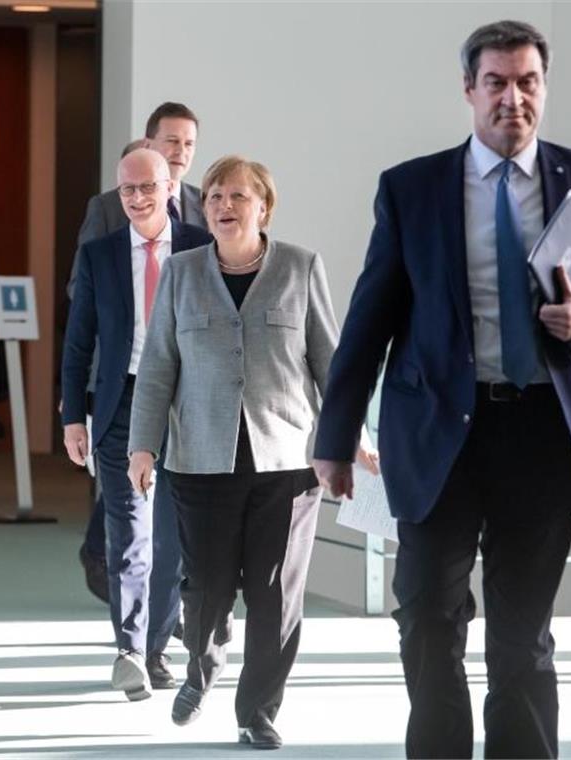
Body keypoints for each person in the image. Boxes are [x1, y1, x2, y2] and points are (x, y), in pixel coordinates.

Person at [312, 20, 571, 759]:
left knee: (521, 633)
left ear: (544, 88)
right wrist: (335, 438)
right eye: (496, 82)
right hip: (439, 434)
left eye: (527, 81)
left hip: (543, 434)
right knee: (430, 618)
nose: (513, 98)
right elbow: (369, 318)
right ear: (469, 90)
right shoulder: (412, 188)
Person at [127, 156, 377, 749]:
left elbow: (330, 362)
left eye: (238, 196)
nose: (224, 205)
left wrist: (352, 435)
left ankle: (258, 710)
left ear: (263, 207)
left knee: (276, 596)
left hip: (286, 464)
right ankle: (203, 664)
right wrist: (142, 446)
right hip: (199, 460)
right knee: (208, 589)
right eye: (214, 195)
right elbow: (159, 365)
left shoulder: (299, 266)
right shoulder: (183, 272)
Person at [61, 148, 212, 701]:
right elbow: (78, 342)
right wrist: (72, 415)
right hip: (121, 401)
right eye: (128, 190)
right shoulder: (100, 254)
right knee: (127, 528)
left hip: (187, 403)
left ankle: (155, 646)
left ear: (171, 186)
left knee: (171, 534)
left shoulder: (201, 247)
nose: (139, 198)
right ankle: (128, 649)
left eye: (148, 186)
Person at [71, 103, 205, 599]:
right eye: (171, 142)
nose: (180, 152)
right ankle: (113, 565)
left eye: (188, 144)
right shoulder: (110, 206)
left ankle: (163, 604)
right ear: (149, 143)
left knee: (170, 497)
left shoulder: (200, 206)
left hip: (186, 382)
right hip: (123, 374)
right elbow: (82, 293)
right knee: (127, 489)